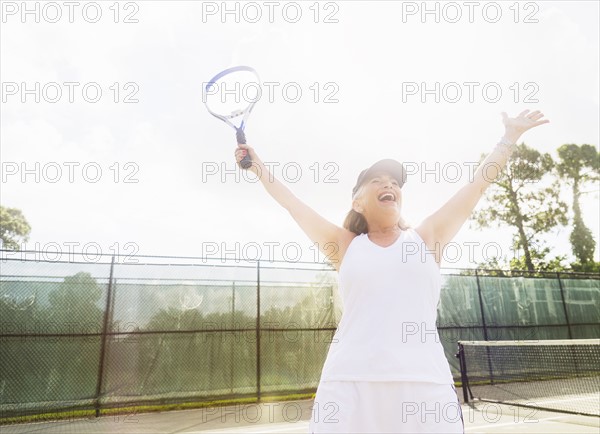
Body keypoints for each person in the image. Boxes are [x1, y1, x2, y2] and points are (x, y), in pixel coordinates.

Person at [234, 110, 549, 433]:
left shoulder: (427, 238)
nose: (389, 184)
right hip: (348, 384)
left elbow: (476, 188)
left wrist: (508, 139)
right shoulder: (344, 245)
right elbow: (293, 204)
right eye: (377, 181)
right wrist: (257, 166)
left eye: (394, 183)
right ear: (358, 203)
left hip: (424, 384)